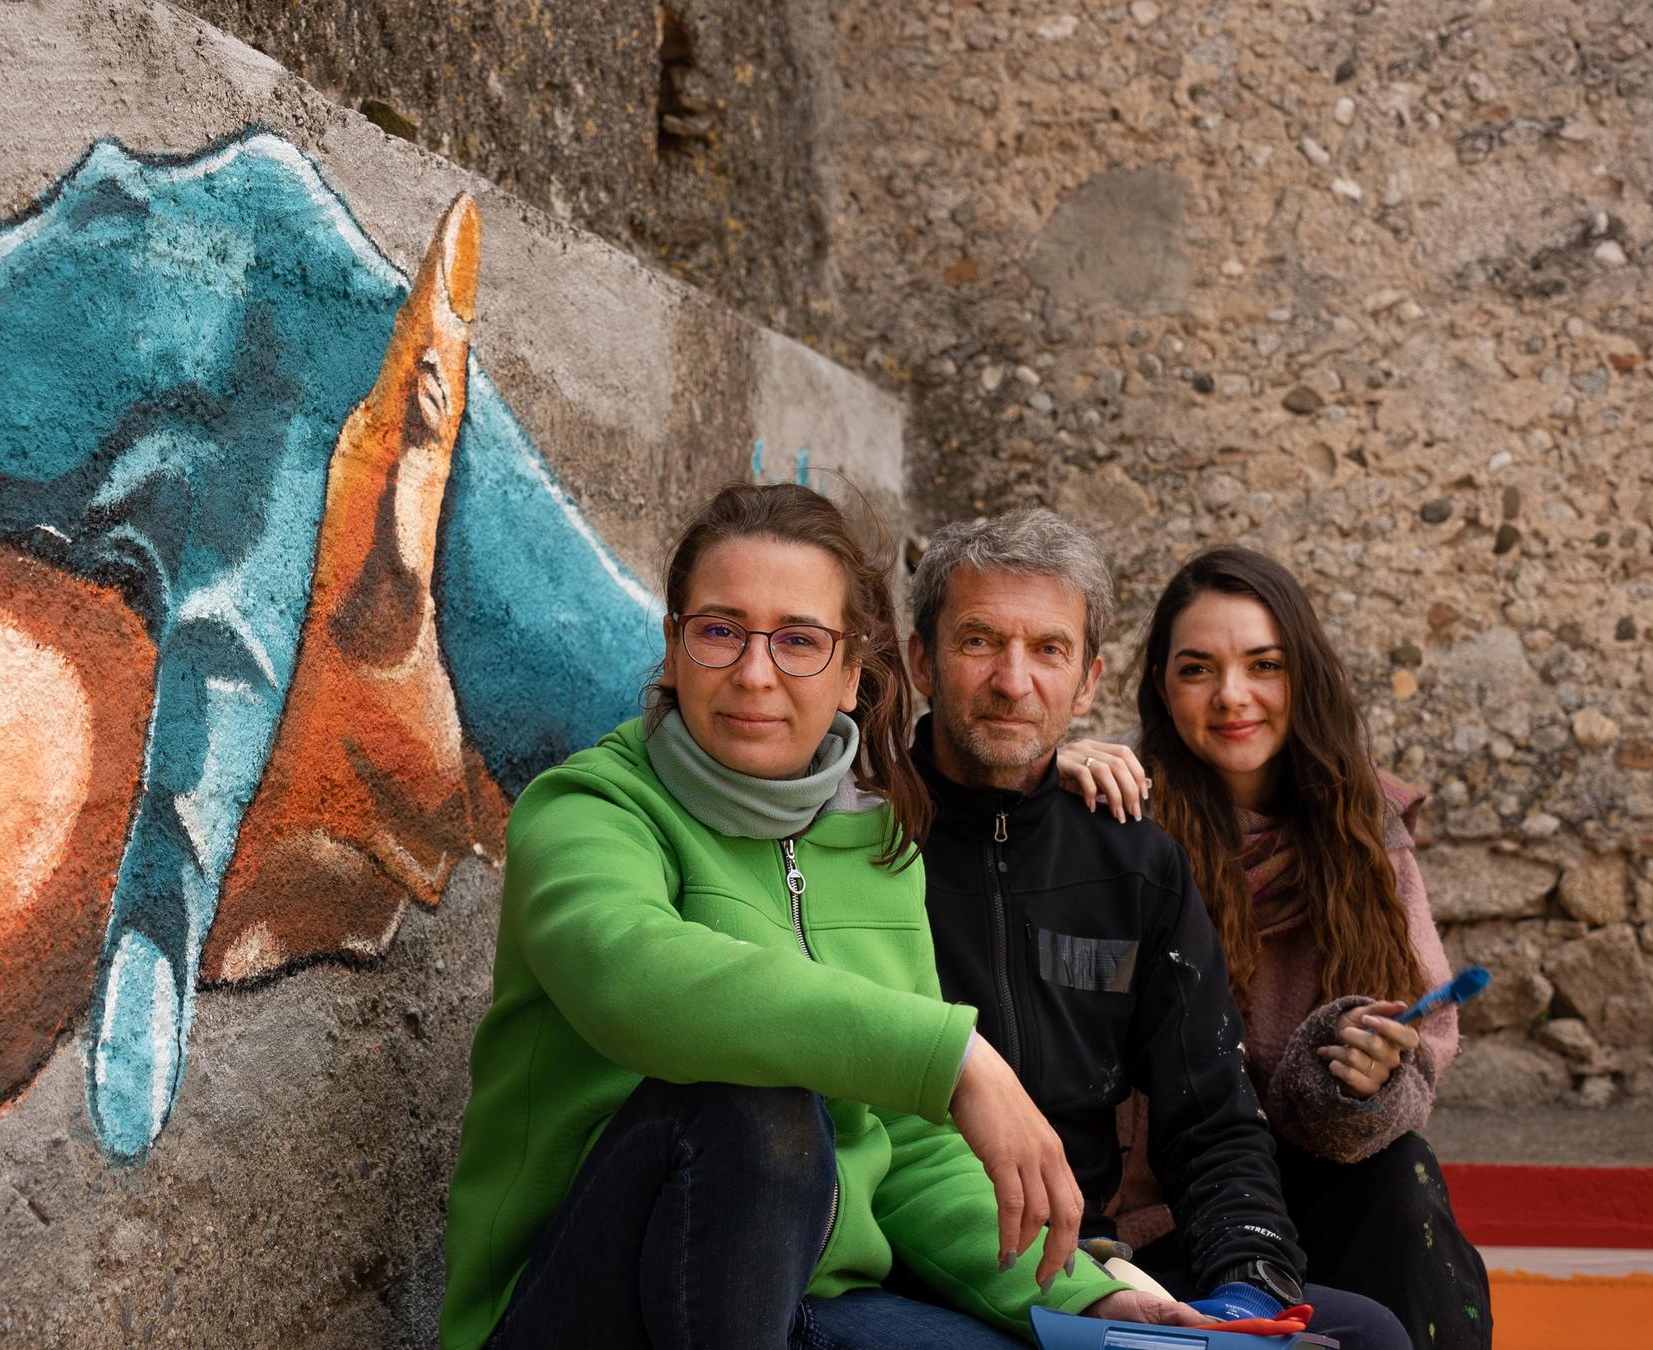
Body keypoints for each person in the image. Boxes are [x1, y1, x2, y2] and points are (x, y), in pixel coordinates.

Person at [439, 483, 1208, 1350]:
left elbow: (914, 1157)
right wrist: (952, 1056)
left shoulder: (880, 850)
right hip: (579, 1309)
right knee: (756, 1108)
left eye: (799, 640)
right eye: (721, 629)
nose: (755, 672)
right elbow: (634, 975)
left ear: (851, 674)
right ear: (673, 648)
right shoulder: (589, 811)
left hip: (812, 1302)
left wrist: (1088, 1298)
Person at [903, 509, 1409, 1350]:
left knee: (1369, 1336)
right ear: (922, 660)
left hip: (1089, 1257)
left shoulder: (1137, 864)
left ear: (1090, 680)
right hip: (915, 1256)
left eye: (1049, 650)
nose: (1013, 681)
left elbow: (1211, 1117)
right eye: (980, 642)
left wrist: (1247, 1292)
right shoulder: (862, 838)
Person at [1056, 546, 1491, 1350]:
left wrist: (1364, 1080)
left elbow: (1419, 1043)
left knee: (1401, 1178)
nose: (1233, 697)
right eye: (1197, 670)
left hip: (1310, 1175)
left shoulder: (1362, 828)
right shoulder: (1108, 812)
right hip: (1161, 1204)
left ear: (1305, 676)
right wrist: (1043, 773)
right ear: (1158, 685)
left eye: (1265, 664)